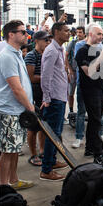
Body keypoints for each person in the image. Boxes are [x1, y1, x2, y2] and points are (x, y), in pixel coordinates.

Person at [0, 20, 35, 190]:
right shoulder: (8, 56)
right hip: (9, 111)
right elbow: (16, 88)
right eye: (23, 32)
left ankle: (14, 180)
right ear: (11, 34)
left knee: (15, 148)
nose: (27, 35)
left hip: (17, 110)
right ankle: (4, 188)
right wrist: (30, 108)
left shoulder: (16, 53)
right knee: (7, 151)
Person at [75, 23, 103, 168]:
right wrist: (101, 57)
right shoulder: (82, 51)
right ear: (90, 34)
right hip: (90, 89)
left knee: (94, 120)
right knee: (96, 120)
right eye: (99, 34)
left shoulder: (99, 50)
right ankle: (98, 154)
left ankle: (90, 148)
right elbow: (89, 72)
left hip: (100, 87)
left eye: (102, 34)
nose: (101, 37)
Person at [39, 22, 70, 180]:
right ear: (56, 32)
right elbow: (46, 76)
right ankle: (46, 170)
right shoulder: (51, 51)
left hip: (60, 96)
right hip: (54, 99)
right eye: (65, 31)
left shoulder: (59, 49)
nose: (68, 33)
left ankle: (51, 161)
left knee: (56, 134)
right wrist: (47, 98)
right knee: (53, 135)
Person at [24, 31, 51, 167]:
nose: (47, 43)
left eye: (48, 40)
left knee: (43, 126)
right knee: (33, 126)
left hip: (45, 93)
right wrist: (47, 78)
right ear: (37, 41)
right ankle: (33, 154)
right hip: (35, 94)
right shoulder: (30, 56)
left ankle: (42, 151)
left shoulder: (46, 55)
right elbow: (31, 77)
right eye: (45, 40)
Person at [65, 26, 85, 116]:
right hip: (73, 70)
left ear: (84, 33)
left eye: (80, 32)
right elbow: (66, 56)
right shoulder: (72, 43)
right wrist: (70, 70)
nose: (78, 34)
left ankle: (82, 111)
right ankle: (71, 110)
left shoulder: (86, 43)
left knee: (82, 93)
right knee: (71, 92)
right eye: (77, 32)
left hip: (83, 72)